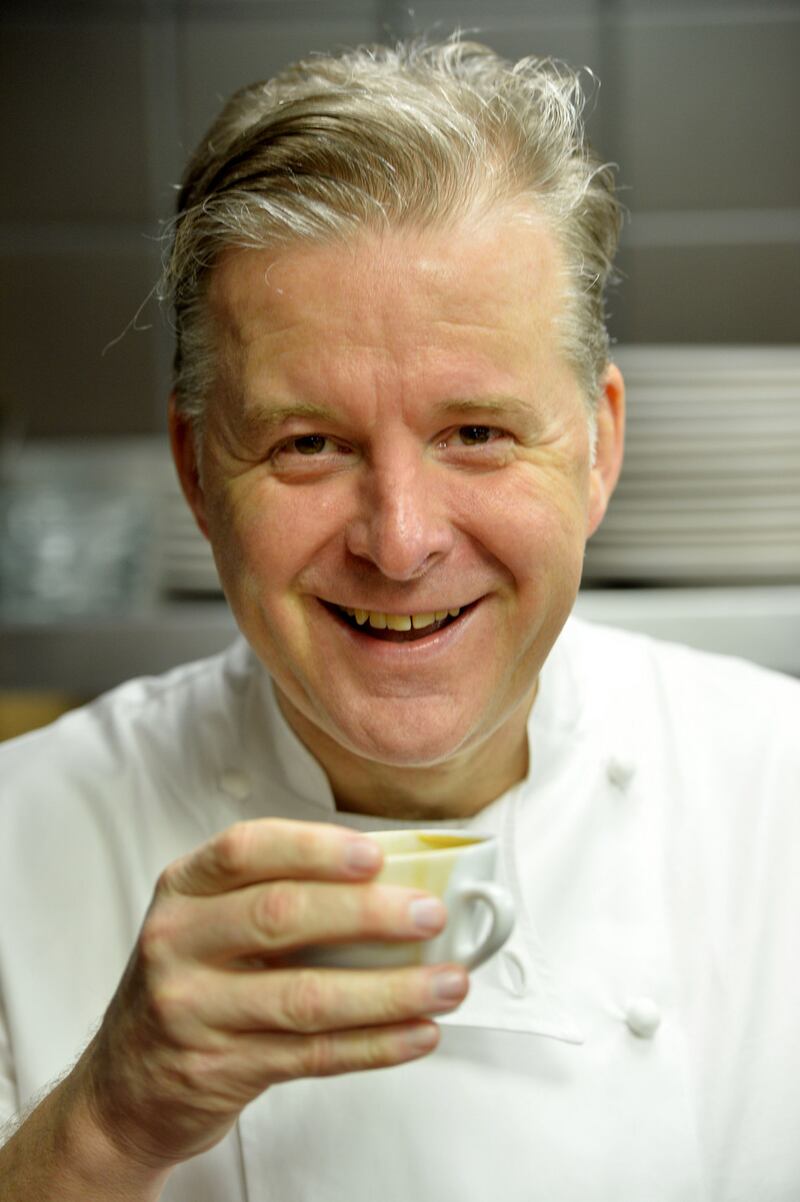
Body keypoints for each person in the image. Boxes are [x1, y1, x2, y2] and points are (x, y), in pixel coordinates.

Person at [1, 36, 798, 1202]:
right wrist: (104, 1130)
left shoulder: (781, 793)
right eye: (306, 443)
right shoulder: (17, 846)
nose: (400, 537)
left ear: (597, 448)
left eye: (476, 431)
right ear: (195, 470)